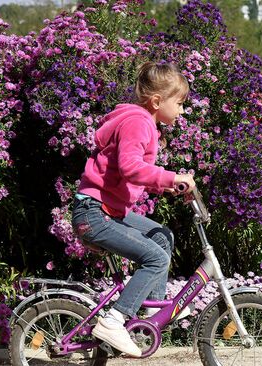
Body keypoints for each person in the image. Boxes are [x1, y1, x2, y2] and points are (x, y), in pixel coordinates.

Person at [71, 61, 195, 357]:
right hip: (95, 213)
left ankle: (155, 311)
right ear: (156, 101)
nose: (181, 110)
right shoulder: (138, 122)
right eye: (179, 103)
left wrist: (168, 186)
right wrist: (170, 176)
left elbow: (132, 173)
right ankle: (115, 320)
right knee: (156, 257)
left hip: (106, 210)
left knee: (161, 236)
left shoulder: (143, 122)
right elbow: (131, 168)